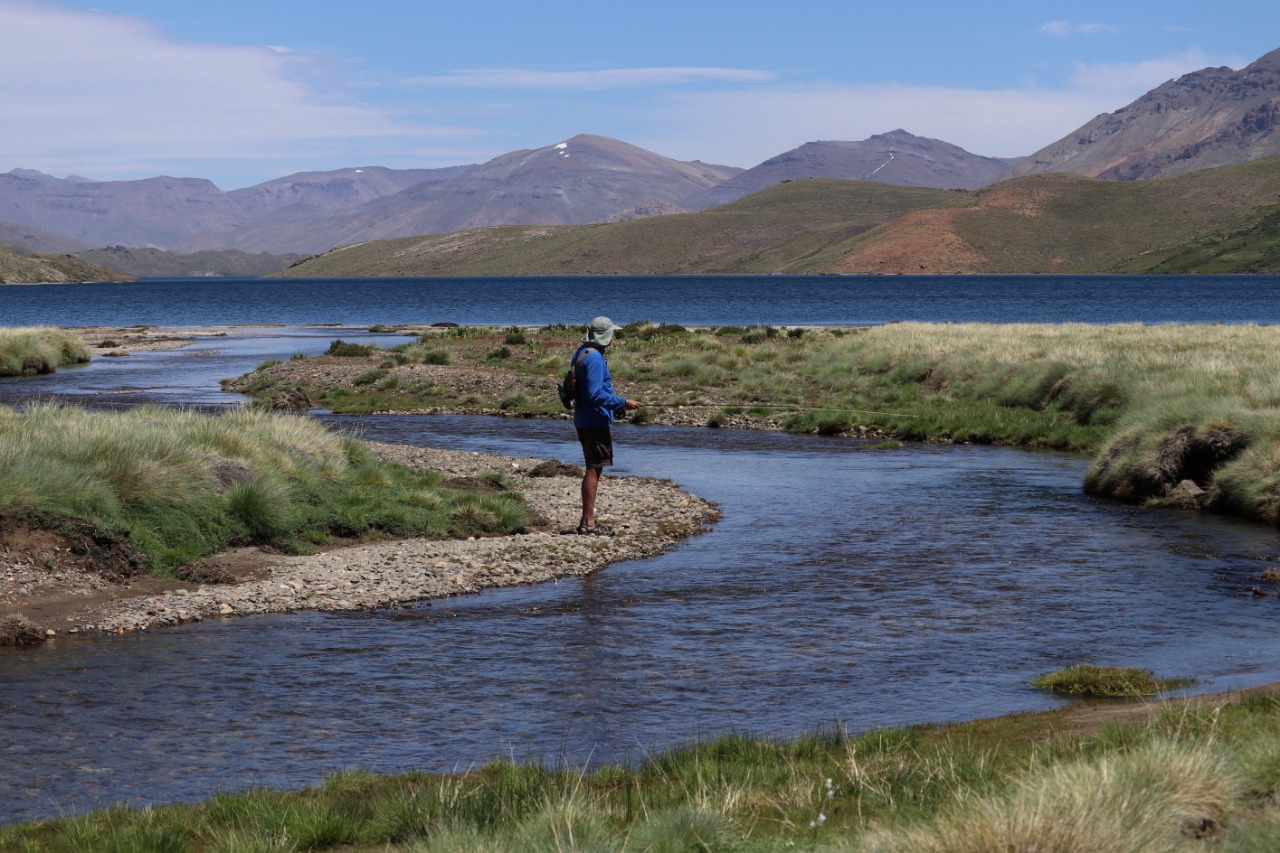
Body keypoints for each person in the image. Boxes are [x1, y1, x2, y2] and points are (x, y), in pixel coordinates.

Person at [572, 316, 641, 535]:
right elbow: (595, 394)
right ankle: (588, 523)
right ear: (606, 336)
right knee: (594, 468)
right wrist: (623, 402)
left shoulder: (582, 352)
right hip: (594, 421)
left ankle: (586, 521)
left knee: (593, 466)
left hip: (585, 418)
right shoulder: (595, 359)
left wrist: (616, 405)